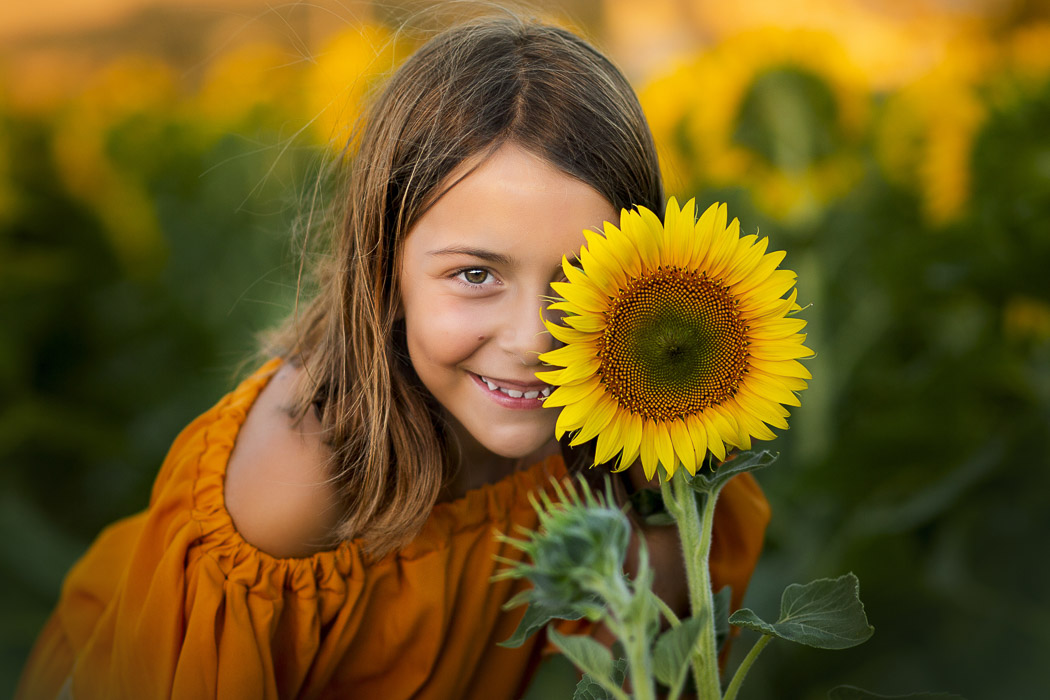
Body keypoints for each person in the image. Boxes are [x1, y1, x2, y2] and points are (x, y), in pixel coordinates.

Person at [17, 13, 770, 699]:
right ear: (385, 267)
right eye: (476, 275)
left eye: (582, 278)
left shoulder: (626, 421)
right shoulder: (304, 483)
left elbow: (681, 616)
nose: (535, 340)